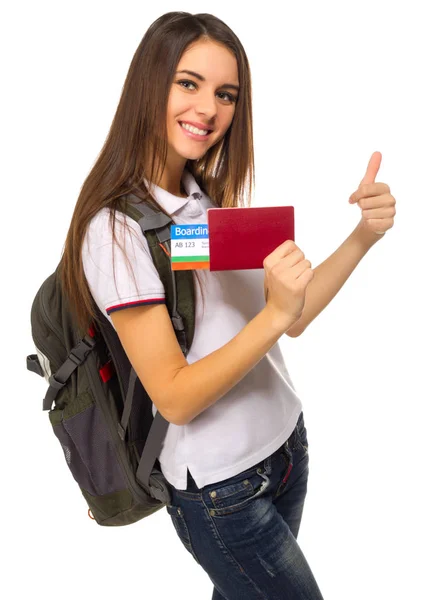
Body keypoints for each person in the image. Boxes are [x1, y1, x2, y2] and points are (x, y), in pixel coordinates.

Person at [59, 10, 396, 600]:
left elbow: (295, 315)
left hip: (285, 449)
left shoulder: (202, 197)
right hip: (222, 489)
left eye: (226, 94)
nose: (208, 109)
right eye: (187, 84)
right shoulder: (113, 232)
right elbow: (176, 395)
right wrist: (274, 315)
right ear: (150, 84)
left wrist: (364, 234)